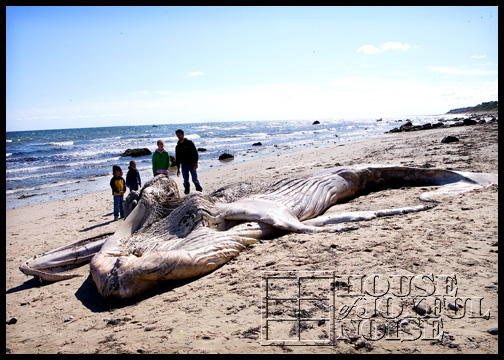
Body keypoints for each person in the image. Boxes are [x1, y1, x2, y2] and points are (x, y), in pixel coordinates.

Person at [175, 129, 202, 194]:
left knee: (194, 179)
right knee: (185, 180)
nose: (179, 136)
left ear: (183, 135)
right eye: (177, 135)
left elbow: (195, 153)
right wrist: (178, 169)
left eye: (180, 135)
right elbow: (177, 158)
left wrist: (196, 163)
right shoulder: (178, 146)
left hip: (191, 164)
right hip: (183, 165)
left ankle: (199, 190)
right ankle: (187, 191)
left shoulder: (189, 143)